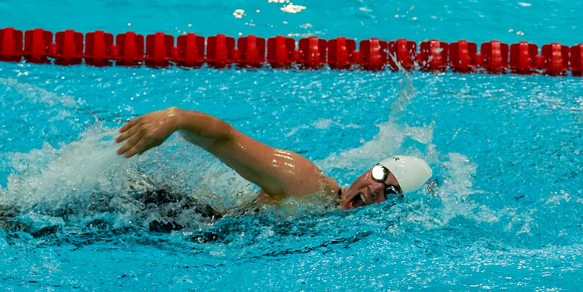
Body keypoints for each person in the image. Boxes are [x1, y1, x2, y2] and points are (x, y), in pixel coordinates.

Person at [116, 107, 432, 210]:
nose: (377, 188)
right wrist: (176, 118)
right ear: (368, 169)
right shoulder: (306, 182)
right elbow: (226, 138)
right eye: (380, 174)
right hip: (159, 217)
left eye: (391, 192)